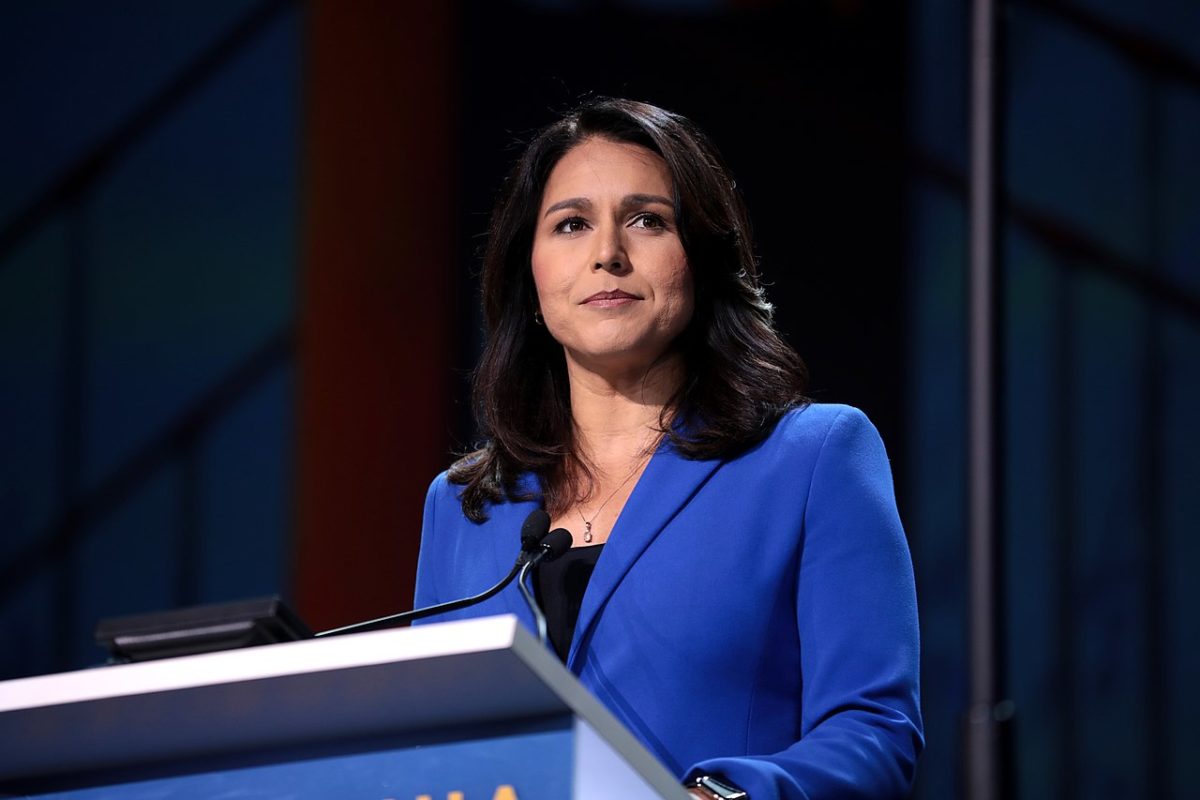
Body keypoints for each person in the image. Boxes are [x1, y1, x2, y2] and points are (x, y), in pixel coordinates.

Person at [414, 97, 923, 799]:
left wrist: (716, 798)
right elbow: (431, 746)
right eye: (571, 224)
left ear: (702, 261)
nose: (607, 254)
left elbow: (874, 730)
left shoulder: (813, 459)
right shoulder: (464, 505)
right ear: (530, 277)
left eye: (647, 220)